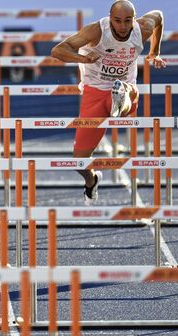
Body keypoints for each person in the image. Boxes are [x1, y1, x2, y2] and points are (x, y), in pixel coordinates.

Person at [51, 0, 165, 205]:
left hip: (126, 87)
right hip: (94, 91)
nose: (122, 26)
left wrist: (154, 52)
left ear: (134, 19)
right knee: (79, 160)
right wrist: (83, 58)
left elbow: (158, 16)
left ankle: (121, 101)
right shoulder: (96, 31)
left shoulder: (143, 28)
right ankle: (91, 180)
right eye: (118, 21)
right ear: (110, 18)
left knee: (124, 91)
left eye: (127, 21)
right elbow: (57, 51)